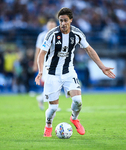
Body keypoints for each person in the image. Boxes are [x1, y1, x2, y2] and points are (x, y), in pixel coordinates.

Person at [35, 7, 115, 137]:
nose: (63, 23)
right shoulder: (51, 34)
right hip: (52, 74)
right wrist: (40, 71)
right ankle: (48, 125)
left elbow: (89, 49)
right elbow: (42, 53)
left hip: (68, 72)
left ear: (71, 20)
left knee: (78, 100)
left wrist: (102, 67)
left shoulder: (77, 34)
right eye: (61, 20)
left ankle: (74, 118)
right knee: (53, 108)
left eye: (65, 20)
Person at [33, 19, 60, 110]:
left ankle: (42, 98)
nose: (51, 26)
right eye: (50, 25)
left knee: (56, 83)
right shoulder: (42, 36)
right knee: (50, 83)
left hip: (56, 63)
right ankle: (51, 105)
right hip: (45, 63)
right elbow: (38, 50)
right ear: (47, 26)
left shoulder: (59, 35)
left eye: (53, 25)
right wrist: (35, 64)